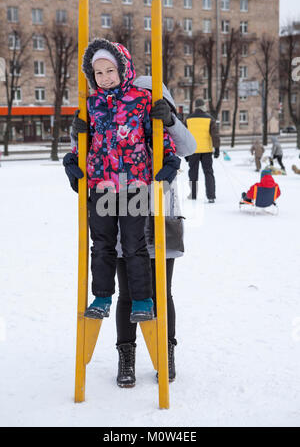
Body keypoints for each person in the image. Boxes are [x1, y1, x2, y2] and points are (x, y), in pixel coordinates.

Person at [63, 38, 178, 324]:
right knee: (101, 244)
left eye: (109, 71)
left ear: (123, 68)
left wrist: (169, 157)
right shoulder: (90, 104)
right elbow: (84, 144)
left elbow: (158, 134)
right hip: (101, 186)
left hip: (135, 185)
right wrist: (73, 160)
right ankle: (102, 297)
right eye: (98, 73)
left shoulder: (141, 99)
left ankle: (142, 299)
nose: (104, 78)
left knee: (134, 244)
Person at [115, 76, 196, 388]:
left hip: (163, 222)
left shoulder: (169, 134)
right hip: (125, 218)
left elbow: (190, 146)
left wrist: (169, 119)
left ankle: (166, 352)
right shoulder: (122, 132)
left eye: (151, 102)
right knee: (128, 294)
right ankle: (127, 355)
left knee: (162, 293)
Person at [185, 98, 220, 203]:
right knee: (208, 173)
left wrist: (186, 152)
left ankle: (193, 194)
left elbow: (184, 136)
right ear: (203, 106)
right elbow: (215, 135)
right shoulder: (210, 119)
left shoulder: (188, 119)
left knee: (193, 173)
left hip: (192, 150)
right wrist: (217, 148)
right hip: (207, 151)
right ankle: (211, 196)